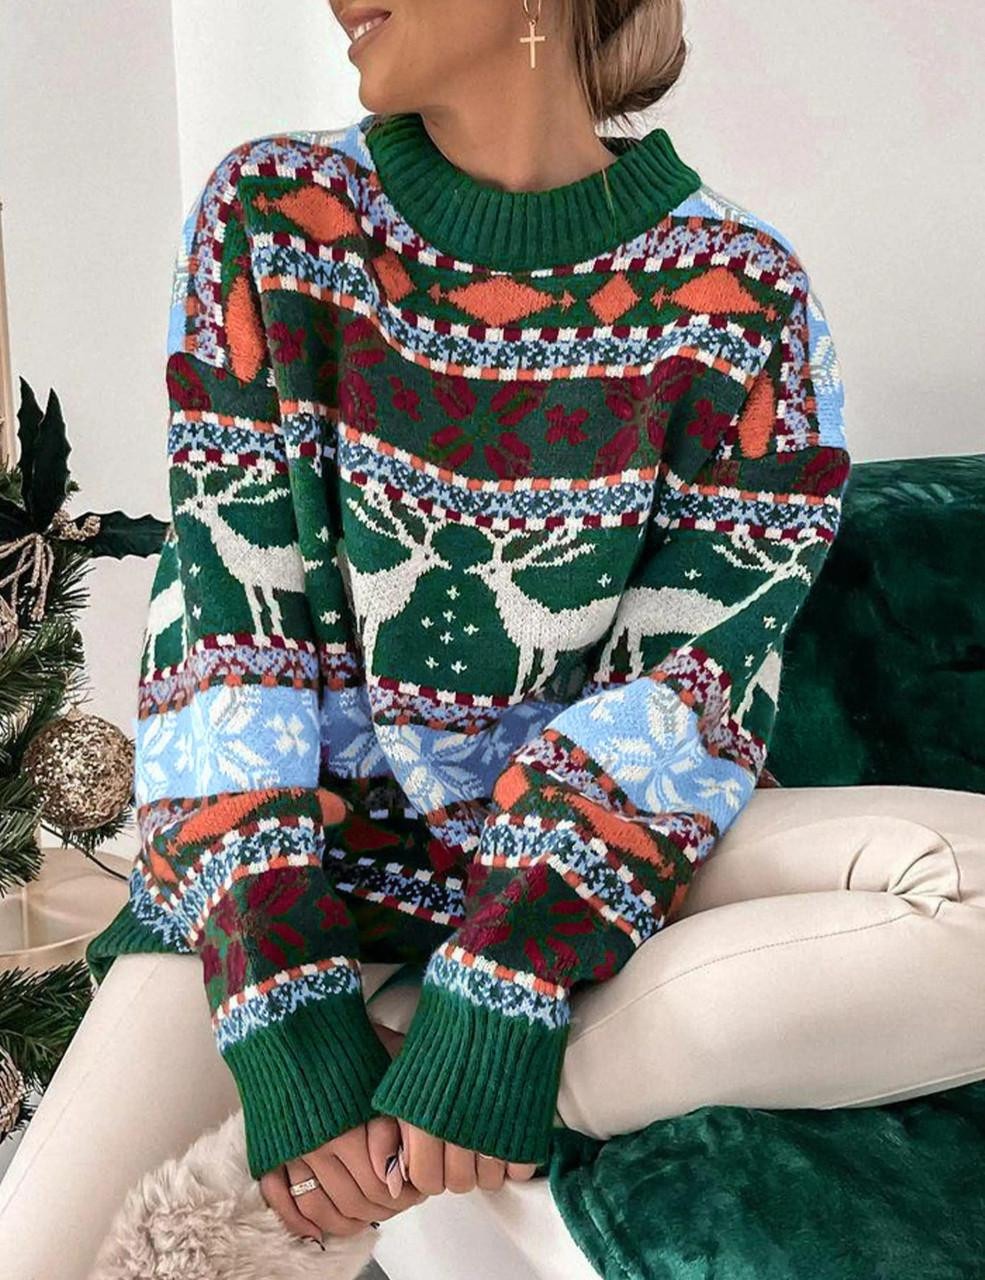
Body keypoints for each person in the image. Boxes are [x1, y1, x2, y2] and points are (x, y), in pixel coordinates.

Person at [2, 0, 985, 1275]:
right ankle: (415, 1064)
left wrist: (498, 997)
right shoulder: (274, 216)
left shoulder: (745, 296)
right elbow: (225, 646)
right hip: (302, 881)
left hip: (585, 875)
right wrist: (287, 1013)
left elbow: (686, 692)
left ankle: (461, 1082)